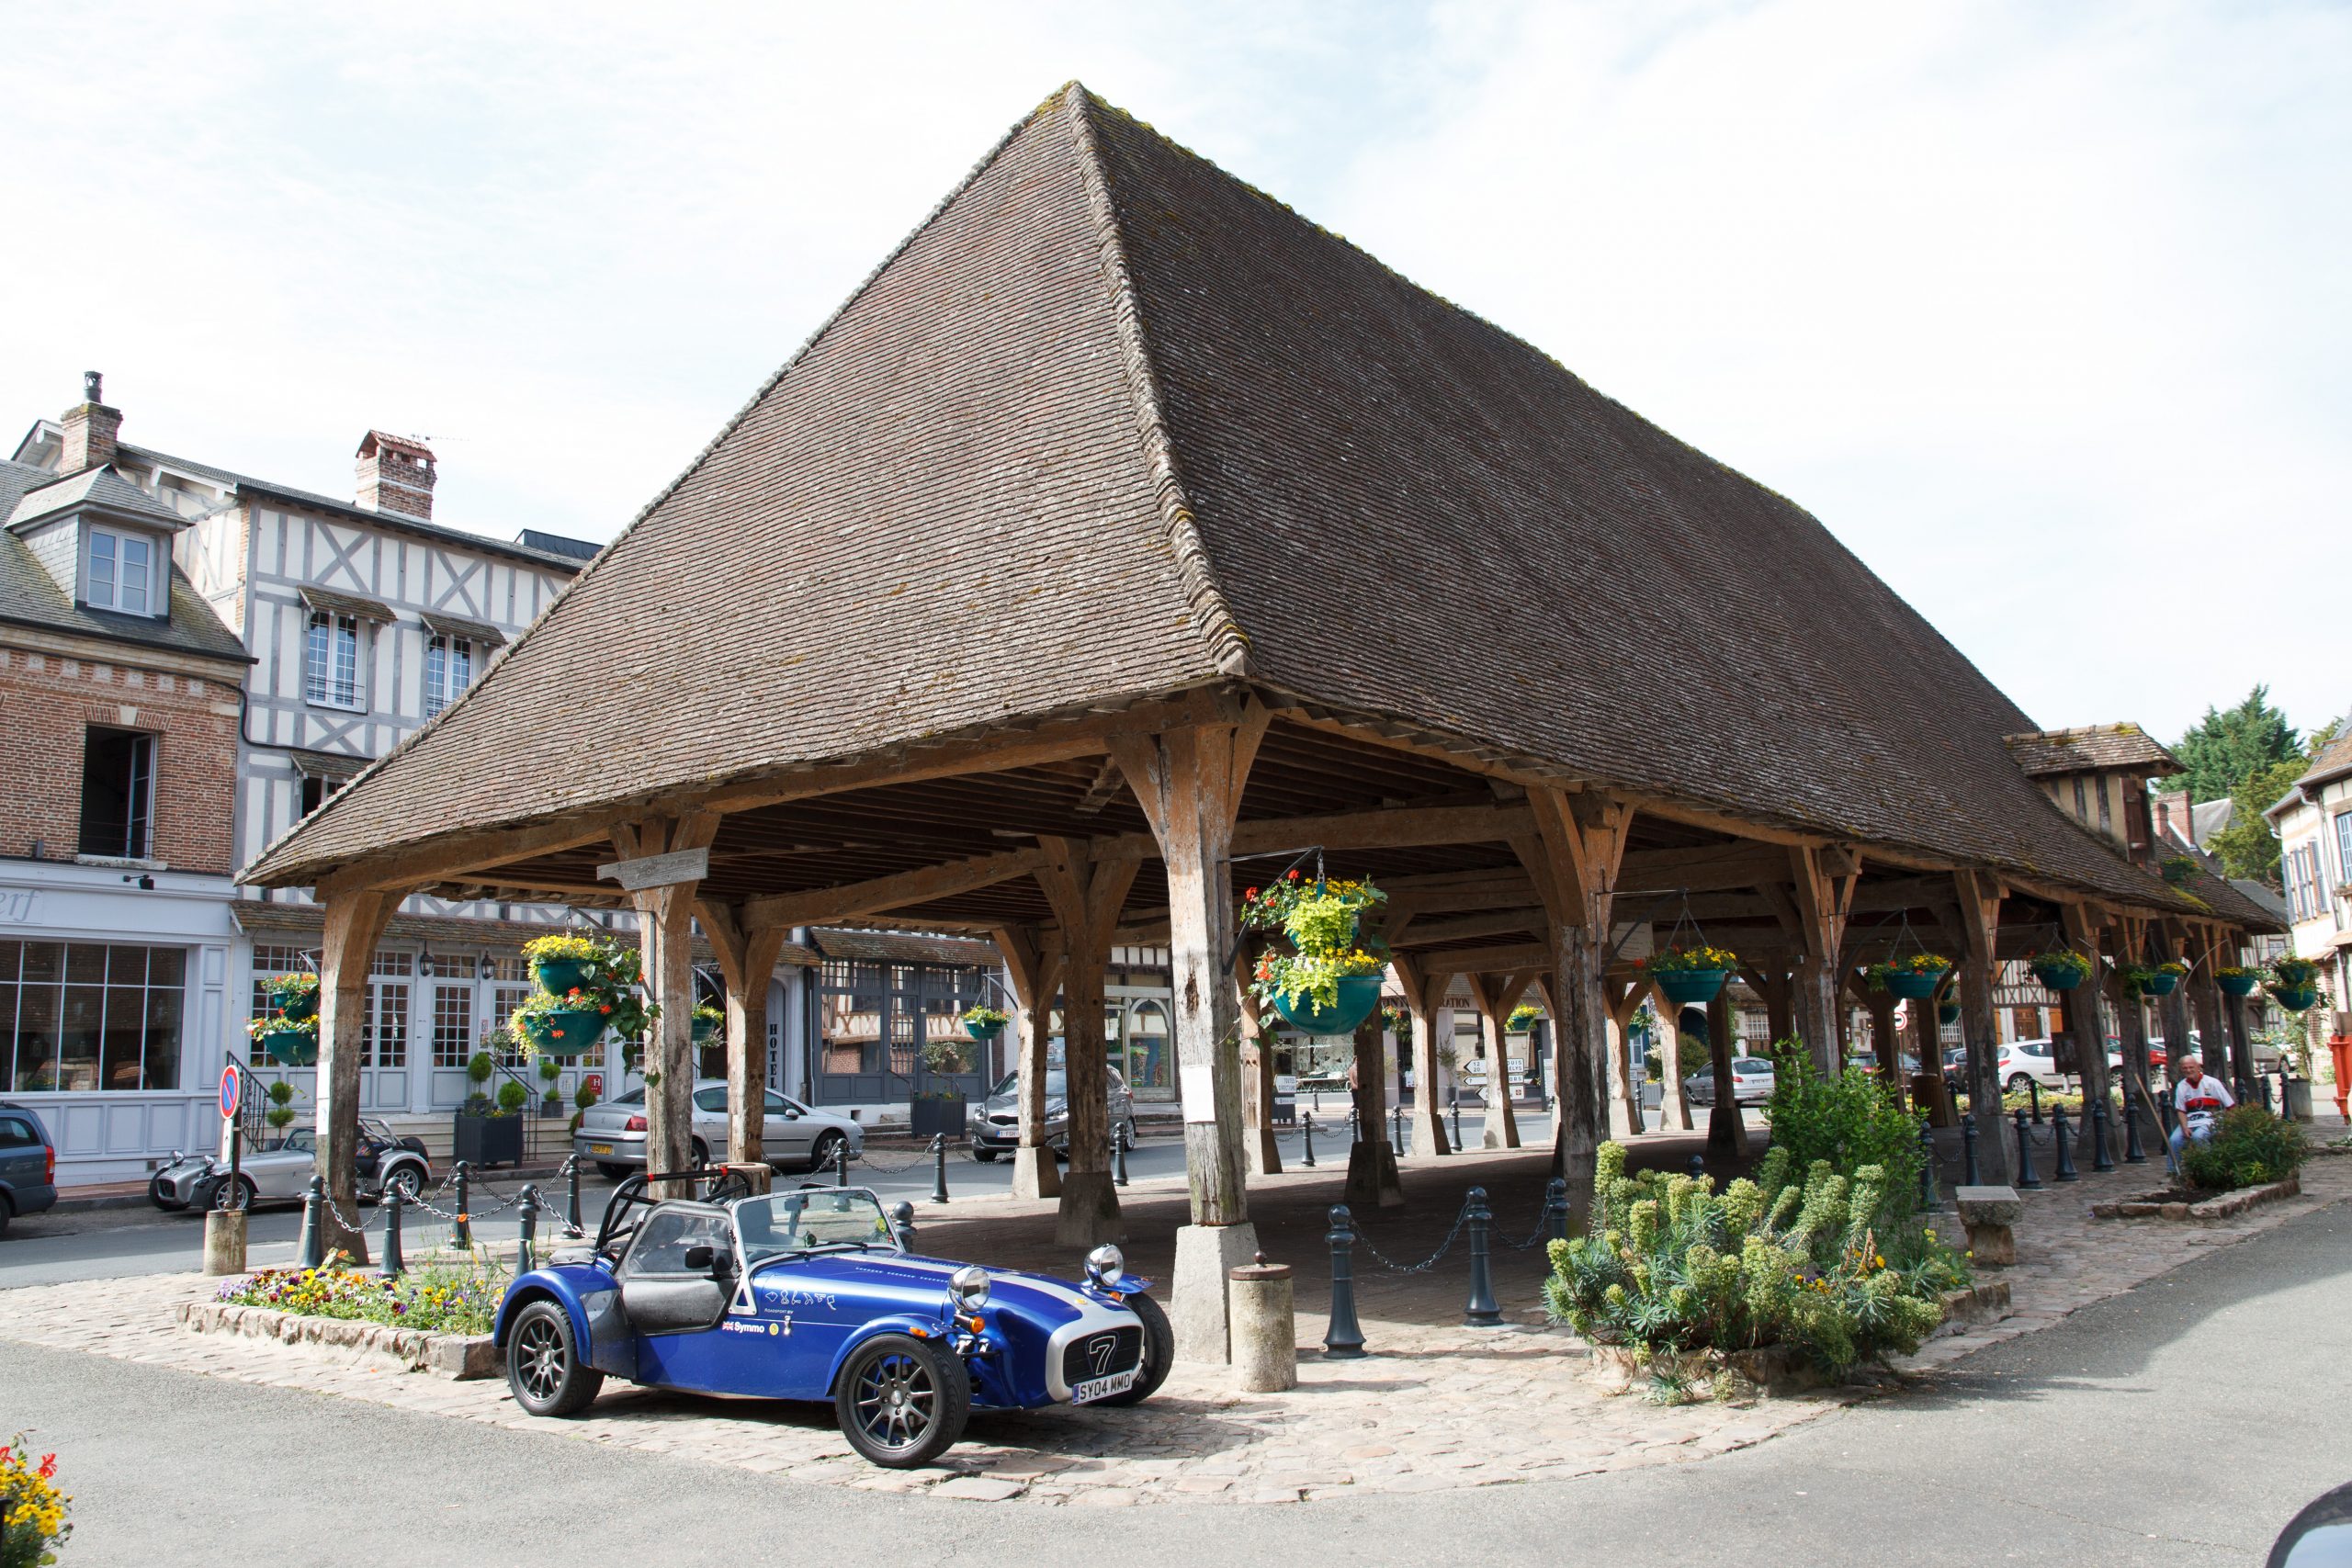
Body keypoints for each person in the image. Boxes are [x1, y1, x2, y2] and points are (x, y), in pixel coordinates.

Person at [2168, 1055, 2235, 1162]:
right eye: (2185, 1068)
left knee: (2198, 1136)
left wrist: (2227, 1126)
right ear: (2181, 1070)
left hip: (2211, 1121)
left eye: (2191, 1067)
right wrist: (2185, 1127)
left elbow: (2230, 1106)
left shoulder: (2213, 1083)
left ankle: (2207, 1166)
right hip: (2191, 1122)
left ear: (2198, 1067)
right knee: (2174, 1140)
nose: (2188, 1070)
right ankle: (2173, 1172)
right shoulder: (2181, 1086)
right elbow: (2181, 1111)